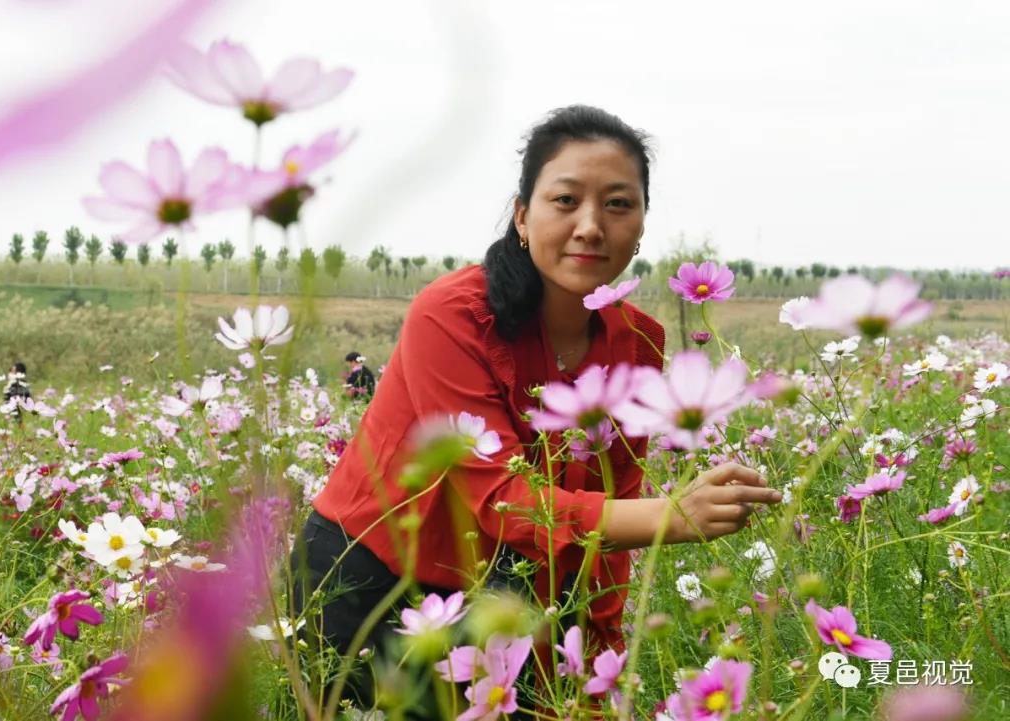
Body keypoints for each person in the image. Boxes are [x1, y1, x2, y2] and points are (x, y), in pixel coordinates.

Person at [294, 105, 782, 714]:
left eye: (618, 205)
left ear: (642, 226)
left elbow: (614, 517)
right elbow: (500, 500)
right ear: (523, 216)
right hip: (373, 581)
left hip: (510, 581)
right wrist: (674, 516)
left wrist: (592, 672)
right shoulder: (451, 316)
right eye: (565, 200)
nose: (590, 226)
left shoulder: (639, 342)